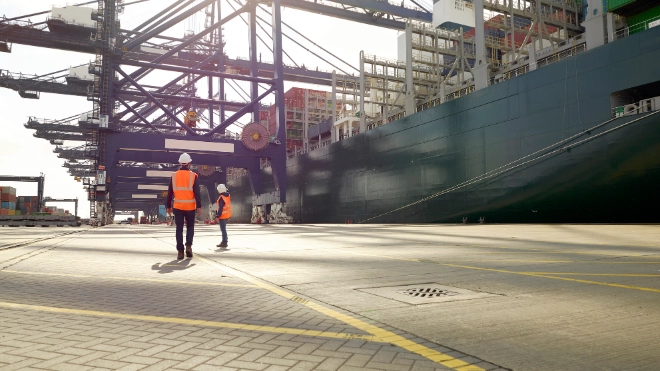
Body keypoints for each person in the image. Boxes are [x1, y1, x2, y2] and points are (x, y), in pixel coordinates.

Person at [166, 153, 202, 259]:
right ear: (189, 164)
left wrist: (168, 206)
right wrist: (199, 206)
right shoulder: (193, 176)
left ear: (180, 163)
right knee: (190, 227)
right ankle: (189, 246)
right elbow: (197, 192)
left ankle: (180, 252)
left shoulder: (174, 176)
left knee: (179, 229)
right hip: (190, 207)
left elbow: (169, 193)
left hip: (178, 206)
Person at [215, 184, 231, 248]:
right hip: (227, 215)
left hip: (222, 216)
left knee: (223, 229)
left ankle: (224, 242)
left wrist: (217, 216)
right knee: (224, 229)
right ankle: (224, 241)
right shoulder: (227, 196)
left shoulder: (221, 198)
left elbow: (221, 208)